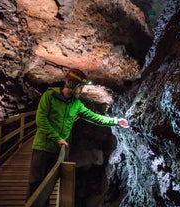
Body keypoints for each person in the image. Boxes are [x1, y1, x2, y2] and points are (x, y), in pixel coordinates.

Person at [26, 68, 129, 202]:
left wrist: (116, 121)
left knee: (48, 187)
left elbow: (95, 118)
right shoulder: (49, 97)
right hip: (42, 147)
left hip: (59, 151)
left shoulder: (76, 104)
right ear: (73, 84)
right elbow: (41, 120)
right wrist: (57, 138)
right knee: (36, 184)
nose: (81, 89)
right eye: (80, 86)